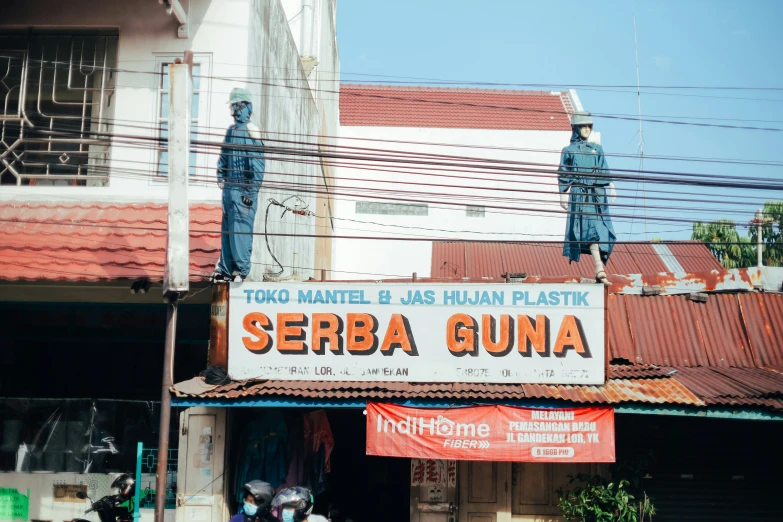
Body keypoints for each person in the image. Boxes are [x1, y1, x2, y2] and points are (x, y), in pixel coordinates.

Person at [212, 87, 266, 283]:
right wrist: (221, 175)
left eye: (237, 106)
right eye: (233, 106)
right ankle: (226, 268)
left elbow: (257, 167)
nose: (234, 110)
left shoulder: (252, 131)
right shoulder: (231, 131)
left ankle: (240, 269)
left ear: (246, 106)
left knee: (240, 230)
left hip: (243, 190)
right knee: (227, 230)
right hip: (229, 191)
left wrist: (250, 193)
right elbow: (224, 157)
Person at [558, 110, 617, 285]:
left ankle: (599, 266)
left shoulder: (596, 148)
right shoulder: (568, 150)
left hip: (597, 193)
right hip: (579, 193)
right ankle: (599, 267)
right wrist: (562, 192)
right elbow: (563, 172)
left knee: (603, 230)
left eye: (589, 125)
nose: (586, 129)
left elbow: (604, 167)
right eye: (583, 125)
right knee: (591, 229)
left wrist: (611, 186)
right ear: (576, 128)